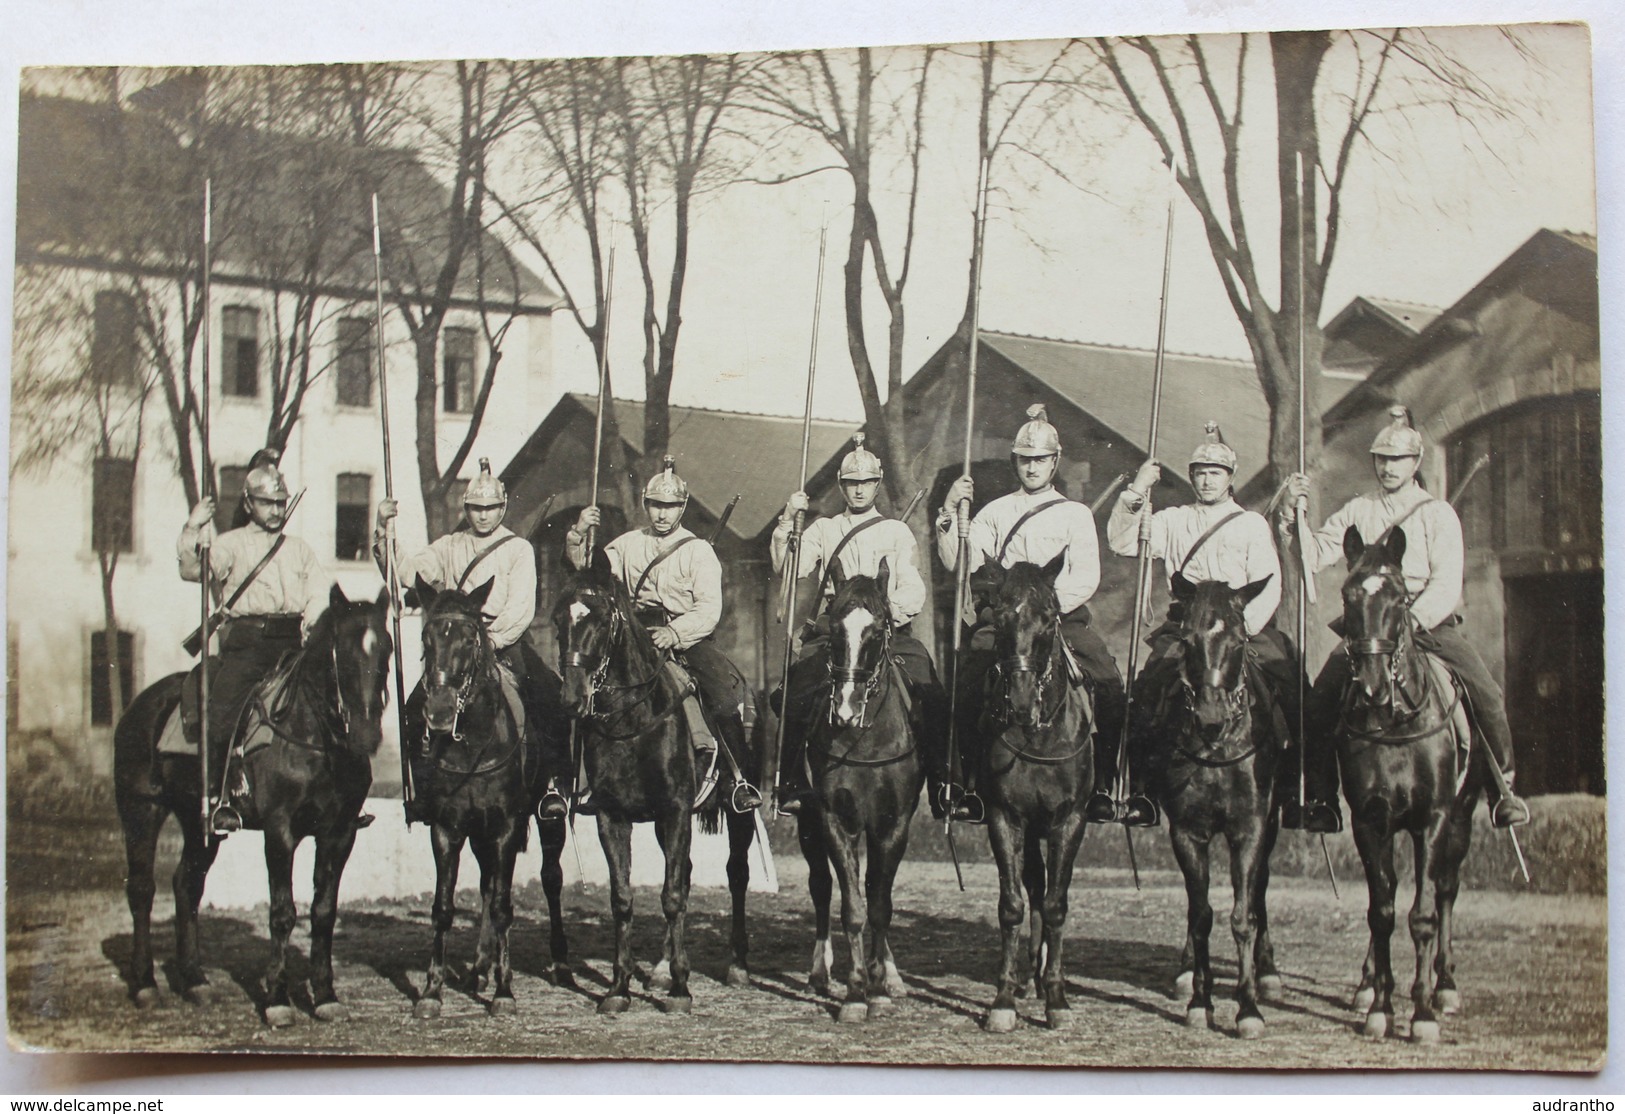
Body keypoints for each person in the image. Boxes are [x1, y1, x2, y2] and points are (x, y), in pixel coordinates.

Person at [1284, 404, 1531, 831]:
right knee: (1319, 698)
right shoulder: (1358, 509)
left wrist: (1413, 621)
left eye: (1396, 459)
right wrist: (1295, 515)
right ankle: (1321, 796)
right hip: (1372, 626)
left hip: (1426, 624)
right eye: (1381, 459)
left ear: (1415, 463)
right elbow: (1317, 554)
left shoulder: (1438, 514)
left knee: (1485, 691)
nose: (1387, 467)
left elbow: (1446, 583)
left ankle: (1503, 790)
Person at [936, 403, 1129, 824]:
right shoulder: (992, 512)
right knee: (966, 686)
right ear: (1015, 462)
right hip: (1004, 623)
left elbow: (1087, 576)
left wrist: (1045, 609)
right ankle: (967, 785)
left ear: (1054, 462)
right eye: (1025, 460)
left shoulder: (1074, 514)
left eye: (1040, 459)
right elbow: (959, 562)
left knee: (1108, 681)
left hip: (1059, 617)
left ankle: (1103, 786)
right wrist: (950, 515)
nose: (1032, 467)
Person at [1101, 422, 1298, 826]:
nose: (1206, 480)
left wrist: (1243, 633)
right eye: (1199, 472)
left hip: (1241, 628)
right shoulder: (1172, 520)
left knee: (1290, 685)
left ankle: (1293, 790)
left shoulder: (1250, 525)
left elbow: (1270, 585)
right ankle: (1142, 794)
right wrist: (1137, 491)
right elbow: (1121, 542)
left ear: (1230, 478)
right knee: (1147, 689)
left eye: (1215, 473)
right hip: (1187, 627)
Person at [375, 458, 569, 822]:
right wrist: (384, 532)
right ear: (466, 509)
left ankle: (550, 786)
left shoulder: (517, 549)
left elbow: (522, 607)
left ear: (502, 508)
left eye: (490, 508)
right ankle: (424, 791)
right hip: (457, 648)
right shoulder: (449, 545)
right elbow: (408, 573)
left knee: (547, 696)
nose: (483, 516)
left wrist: (491, 640)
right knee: (413, 709)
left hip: (502, 641)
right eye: (476, 509)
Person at [566, 456, 763, 813]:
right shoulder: (626, 543)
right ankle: (586, 782)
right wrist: (579, 533)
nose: (662, 514)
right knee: (587, 692)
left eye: (670, 507)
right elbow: (588, 571)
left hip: (685, 636)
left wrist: (674, 633)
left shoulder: (698, 551)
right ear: (646, 505)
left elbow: (708, 609)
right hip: (633, 634)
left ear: (682, 508)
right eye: (656, 505)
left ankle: (738, 778)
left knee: (722, 695)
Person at [769, 433, 949, 816]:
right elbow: (792, 569)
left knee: (932, 693)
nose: (858, 490)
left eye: (866, 483)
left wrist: (886, 616)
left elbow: (911, 586)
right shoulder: (823, 529)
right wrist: (789, 523)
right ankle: (790, 783)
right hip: (836, 632)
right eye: (851, 483)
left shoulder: (896, 533)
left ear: (877, 485)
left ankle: (941, 783)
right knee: (794, 690)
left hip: (887, 631)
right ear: (842, 485)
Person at [178, 449, 329, 834]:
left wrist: (312, 624)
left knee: (334, 700)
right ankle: (219, 799)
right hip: (248, 643)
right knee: (223, 709)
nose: (276, 510)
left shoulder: (299, 549)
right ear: (249, 503)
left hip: (293, 641)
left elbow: (316, 592)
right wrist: (194, 529)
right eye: (267, 503)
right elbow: (192, 570)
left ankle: (338, 795)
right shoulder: (230, 544)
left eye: (281, 503)